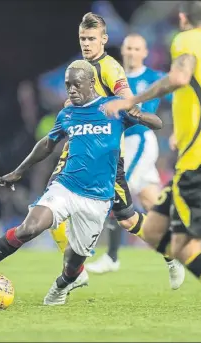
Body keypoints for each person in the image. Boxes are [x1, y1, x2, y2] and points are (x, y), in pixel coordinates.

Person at [0, 60, 162, 306]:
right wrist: (19, 171)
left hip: (98, 199)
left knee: (74, 264)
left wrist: (136, 112)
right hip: (66, 187)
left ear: (91, 83)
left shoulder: (112, 107)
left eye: (76, 84)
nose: (71, 90)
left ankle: (62, 285)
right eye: (68, 85)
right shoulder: (67, 113)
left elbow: (157, 123)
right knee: (29, 228)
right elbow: (47, 144)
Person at [47, 12, 184, 291]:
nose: (86, 43)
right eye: (82, 38)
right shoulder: (82, 67)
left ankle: (111, 256)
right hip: (87, 150)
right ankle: (81, 270)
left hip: (125, 146)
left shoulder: (115, 70)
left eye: (91, 39)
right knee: (51, 206)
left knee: (125, 214)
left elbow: (126, 101)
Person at [103, 1, 201, 289]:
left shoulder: (186, 39)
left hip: (198, 162)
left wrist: (131, 100)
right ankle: (163, 260)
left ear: (183, 18)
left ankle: (113, 256)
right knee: (152, 227)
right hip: (191, 159)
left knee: (188, 248)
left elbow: (178, 78)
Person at [85, 34, 183, 285]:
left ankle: (113, 256)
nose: (131, 52)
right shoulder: (114, 79)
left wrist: (179, 132)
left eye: (136, 48)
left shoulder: (152, 78)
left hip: (140, 140)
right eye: (128, 47)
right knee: (151, 199)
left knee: (115, 191)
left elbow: (179, 100)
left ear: (145, 52)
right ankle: (178, 243)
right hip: (119, 142)